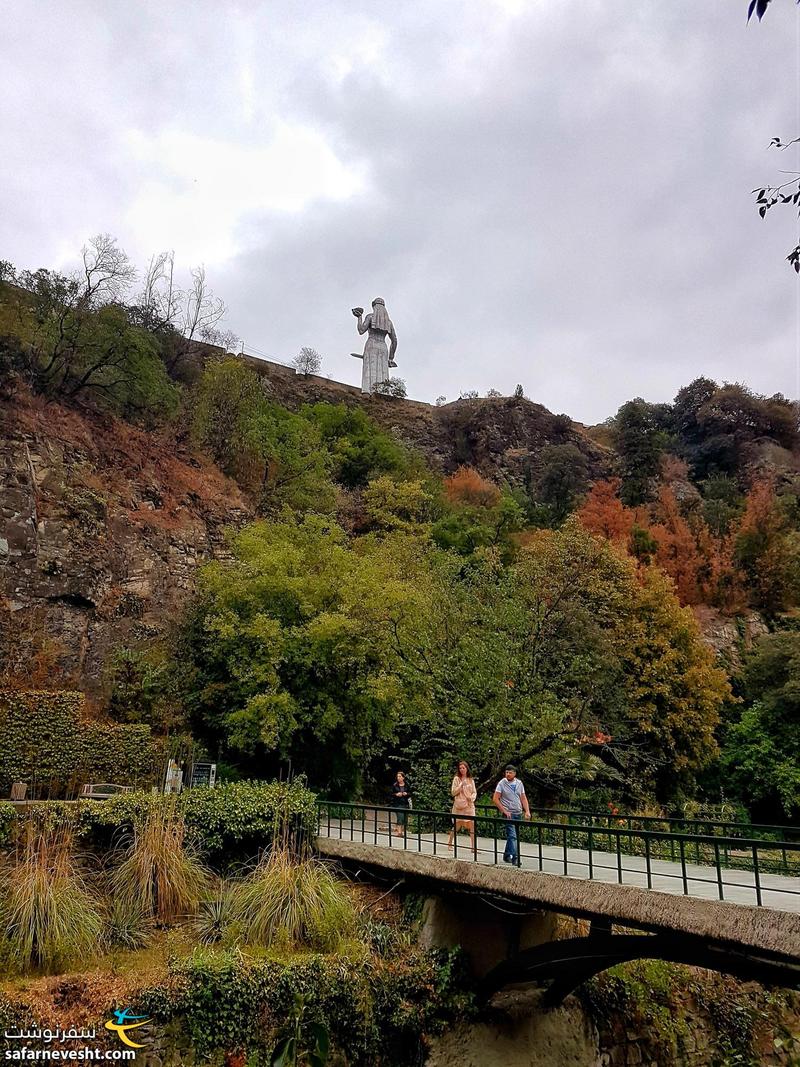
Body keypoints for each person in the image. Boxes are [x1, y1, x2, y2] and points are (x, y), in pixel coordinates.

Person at [492, 764, 530, 864]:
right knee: (513, 836)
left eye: (510, 772)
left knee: (514, 836)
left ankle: (506, 855)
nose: (508, 774)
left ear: (514, 773)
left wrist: (527, 811)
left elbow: (523, 797)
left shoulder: (519, 783)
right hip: (508, 813)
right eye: (507, 772)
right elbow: (495, 798)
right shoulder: (502, 783)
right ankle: (515, 858)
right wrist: (504, 811)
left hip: (518, 812)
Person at [448, 760, 477, 853]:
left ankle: (473, 847)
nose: (462, 769)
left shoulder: (470, 779)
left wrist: (471, 798)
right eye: (460, 768)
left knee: (472, 825)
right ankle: (449, 843)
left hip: (469, 805)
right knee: (457, 825)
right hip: (460, 805)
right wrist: (461, 786)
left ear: (467, 768)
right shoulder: (456, 779)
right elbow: (453, 792)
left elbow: (474, 792)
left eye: (463, 768)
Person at [390, 770, 412, 837]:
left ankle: (403, 831)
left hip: (405, 803)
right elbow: (391, 794)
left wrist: (406, 794)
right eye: (397, 776)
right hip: (398, 804)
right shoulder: (395, 785)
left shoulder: (407, 785)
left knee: (405, 819)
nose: (398, 778)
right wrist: (396, 794)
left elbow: (410, 793)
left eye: (400, 776)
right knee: (400, 817)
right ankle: (399, 832)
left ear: (403, 777)